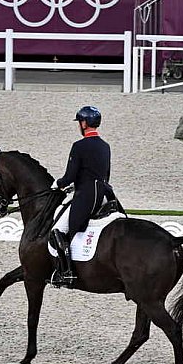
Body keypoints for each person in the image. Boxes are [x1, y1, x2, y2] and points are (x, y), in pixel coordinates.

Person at [49, 106, 117, 288]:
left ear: (84, 123)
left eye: (80, 122)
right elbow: (104, 174)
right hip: (104, 195)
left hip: (86, 196)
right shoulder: (105, 146)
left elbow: (70, 176)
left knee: (57, 231)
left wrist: (59, 183)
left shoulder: (79, 146)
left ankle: (67, 273)